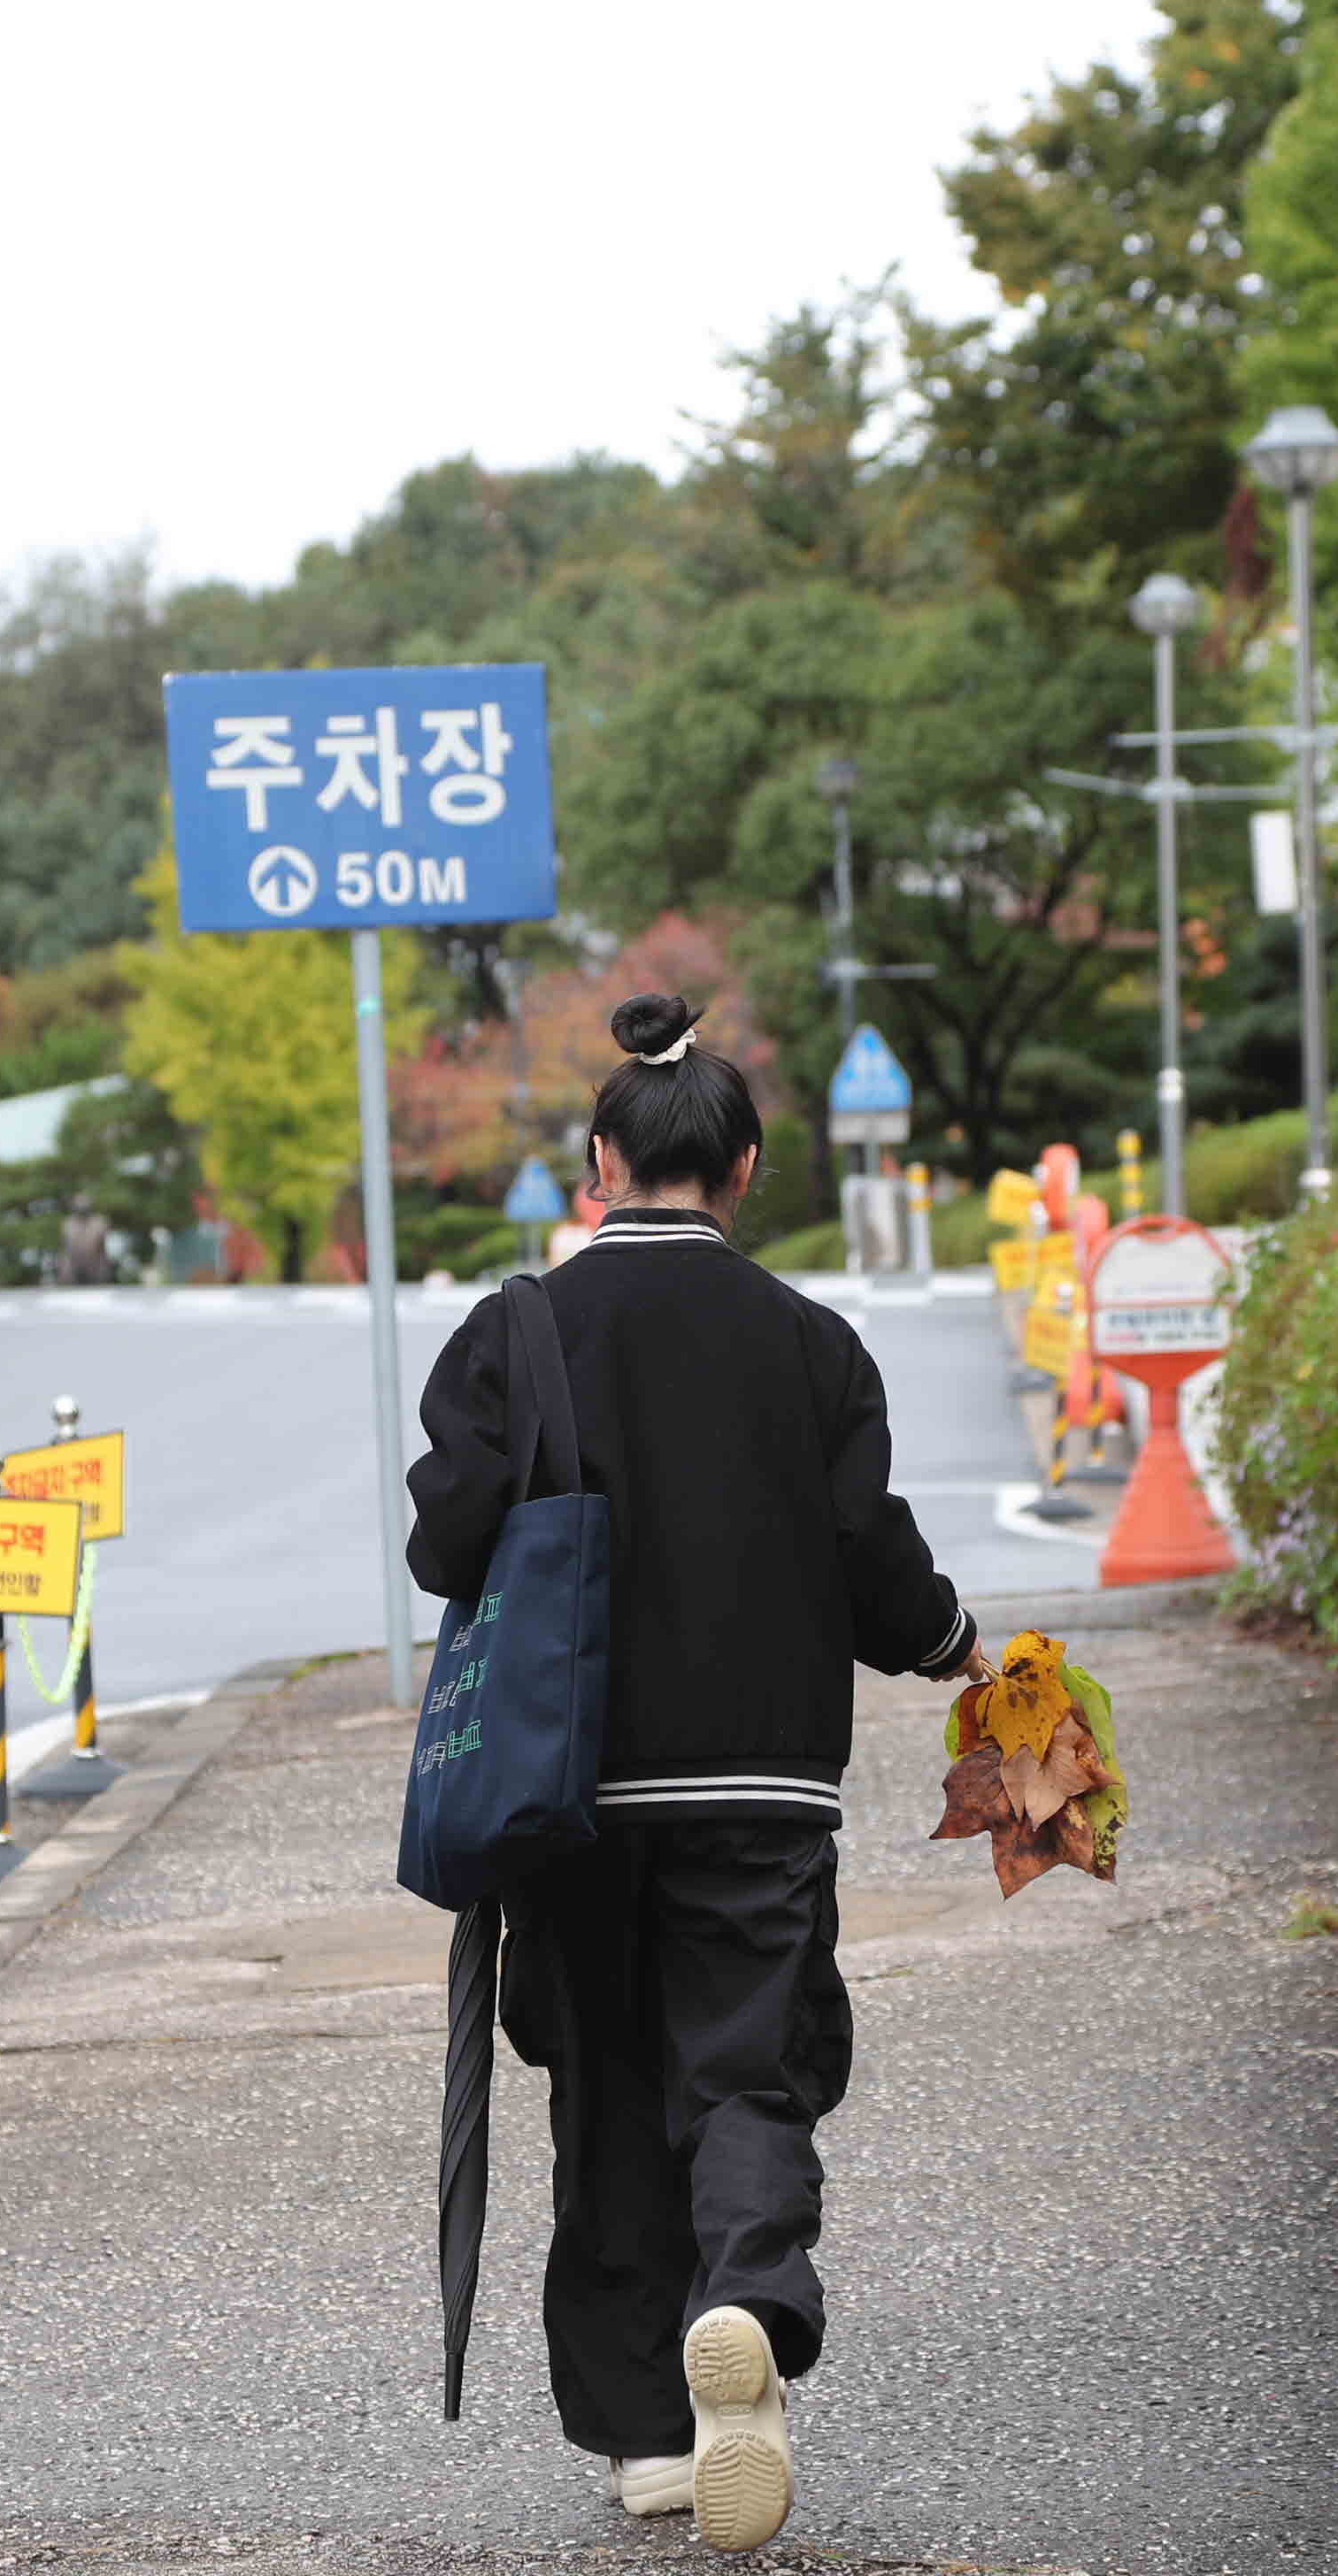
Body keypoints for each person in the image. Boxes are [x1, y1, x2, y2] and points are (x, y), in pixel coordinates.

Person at [405, 991, 984, 2553]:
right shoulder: (810, 1344)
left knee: (602, 2089)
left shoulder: (515, 1332)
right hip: (762, 1787)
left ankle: (653, 2443)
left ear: (599, 1162)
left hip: (569, 1785)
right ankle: (747, 2299)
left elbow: (440, 1544)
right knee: (748, 2064)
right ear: (741, 1172)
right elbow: (874, 1564)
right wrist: (957, 1648)